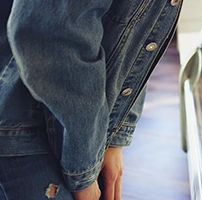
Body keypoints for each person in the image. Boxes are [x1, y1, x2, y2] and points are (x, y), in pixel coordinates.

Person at [0, 0, 181, 199]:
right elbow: (51, 32)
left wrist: (113, 136)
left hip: (60, 126)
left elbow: (138, 26)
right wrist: (83, 171)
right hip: (23, 124)